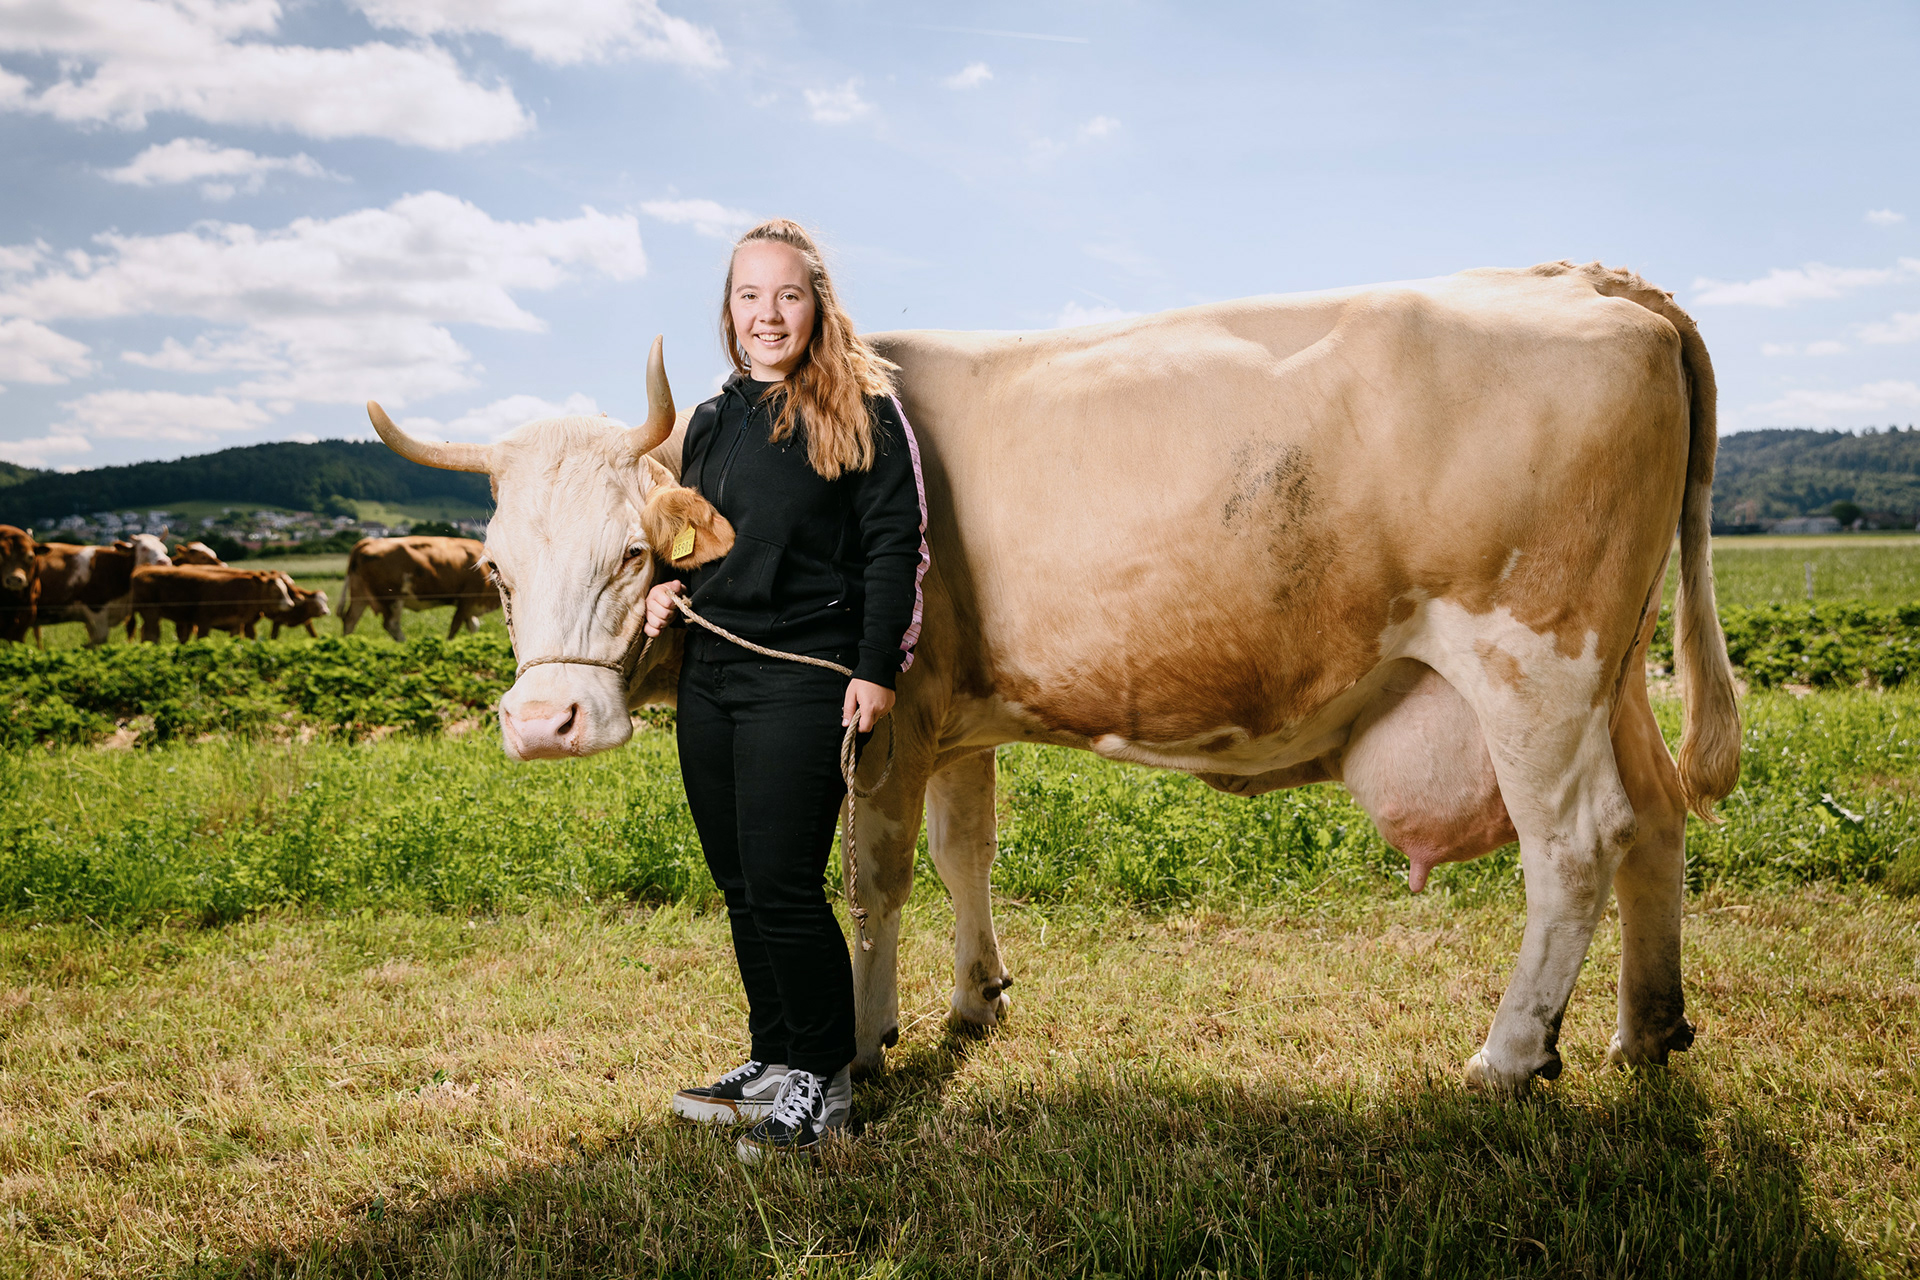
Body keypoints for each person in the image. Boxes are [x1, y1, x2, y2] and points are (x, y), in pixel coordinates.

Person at [643, 219, 928, 1161]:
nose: (768, 315)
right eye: (749, 296)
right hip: (712, 674)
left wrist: (876, 667)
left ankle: (824, 1079)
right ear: (728, 311)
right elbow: (696, 533)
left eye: (787, 295)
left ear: (817, 304)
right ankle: (771, 1060)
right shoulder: (716, 419)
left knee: (784, 883)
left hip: (803, 677)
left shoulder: (863, 408)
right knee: (738, 883)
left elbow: (897, 547)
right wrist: (668, 586)